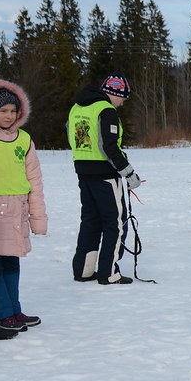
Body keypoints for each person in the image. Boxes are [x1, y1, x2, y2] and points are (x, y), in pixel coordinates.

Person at [67, 73, 142, 284]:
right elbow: (109, 147)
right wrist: (128, 173)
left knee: (90, 221)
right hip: (105, 176)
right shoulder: (106, 110)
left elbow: (72, 137)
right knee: (115, 224)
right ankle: (109, 273)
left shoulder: (77, 108)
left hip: (84, 174)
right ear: (114, 93)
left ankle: (84, 270)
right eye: (123, 98)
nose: (123, 103)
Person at [0, 80, 47, 340]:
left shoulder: (24, 140)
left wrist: (38, 218)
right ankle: (4, 314)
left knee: (11, 263)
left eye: (13, 111)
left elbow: (35, 181)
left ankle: (14, 311)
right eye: (3, 110)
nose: (9, 116)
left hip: (17, 211)